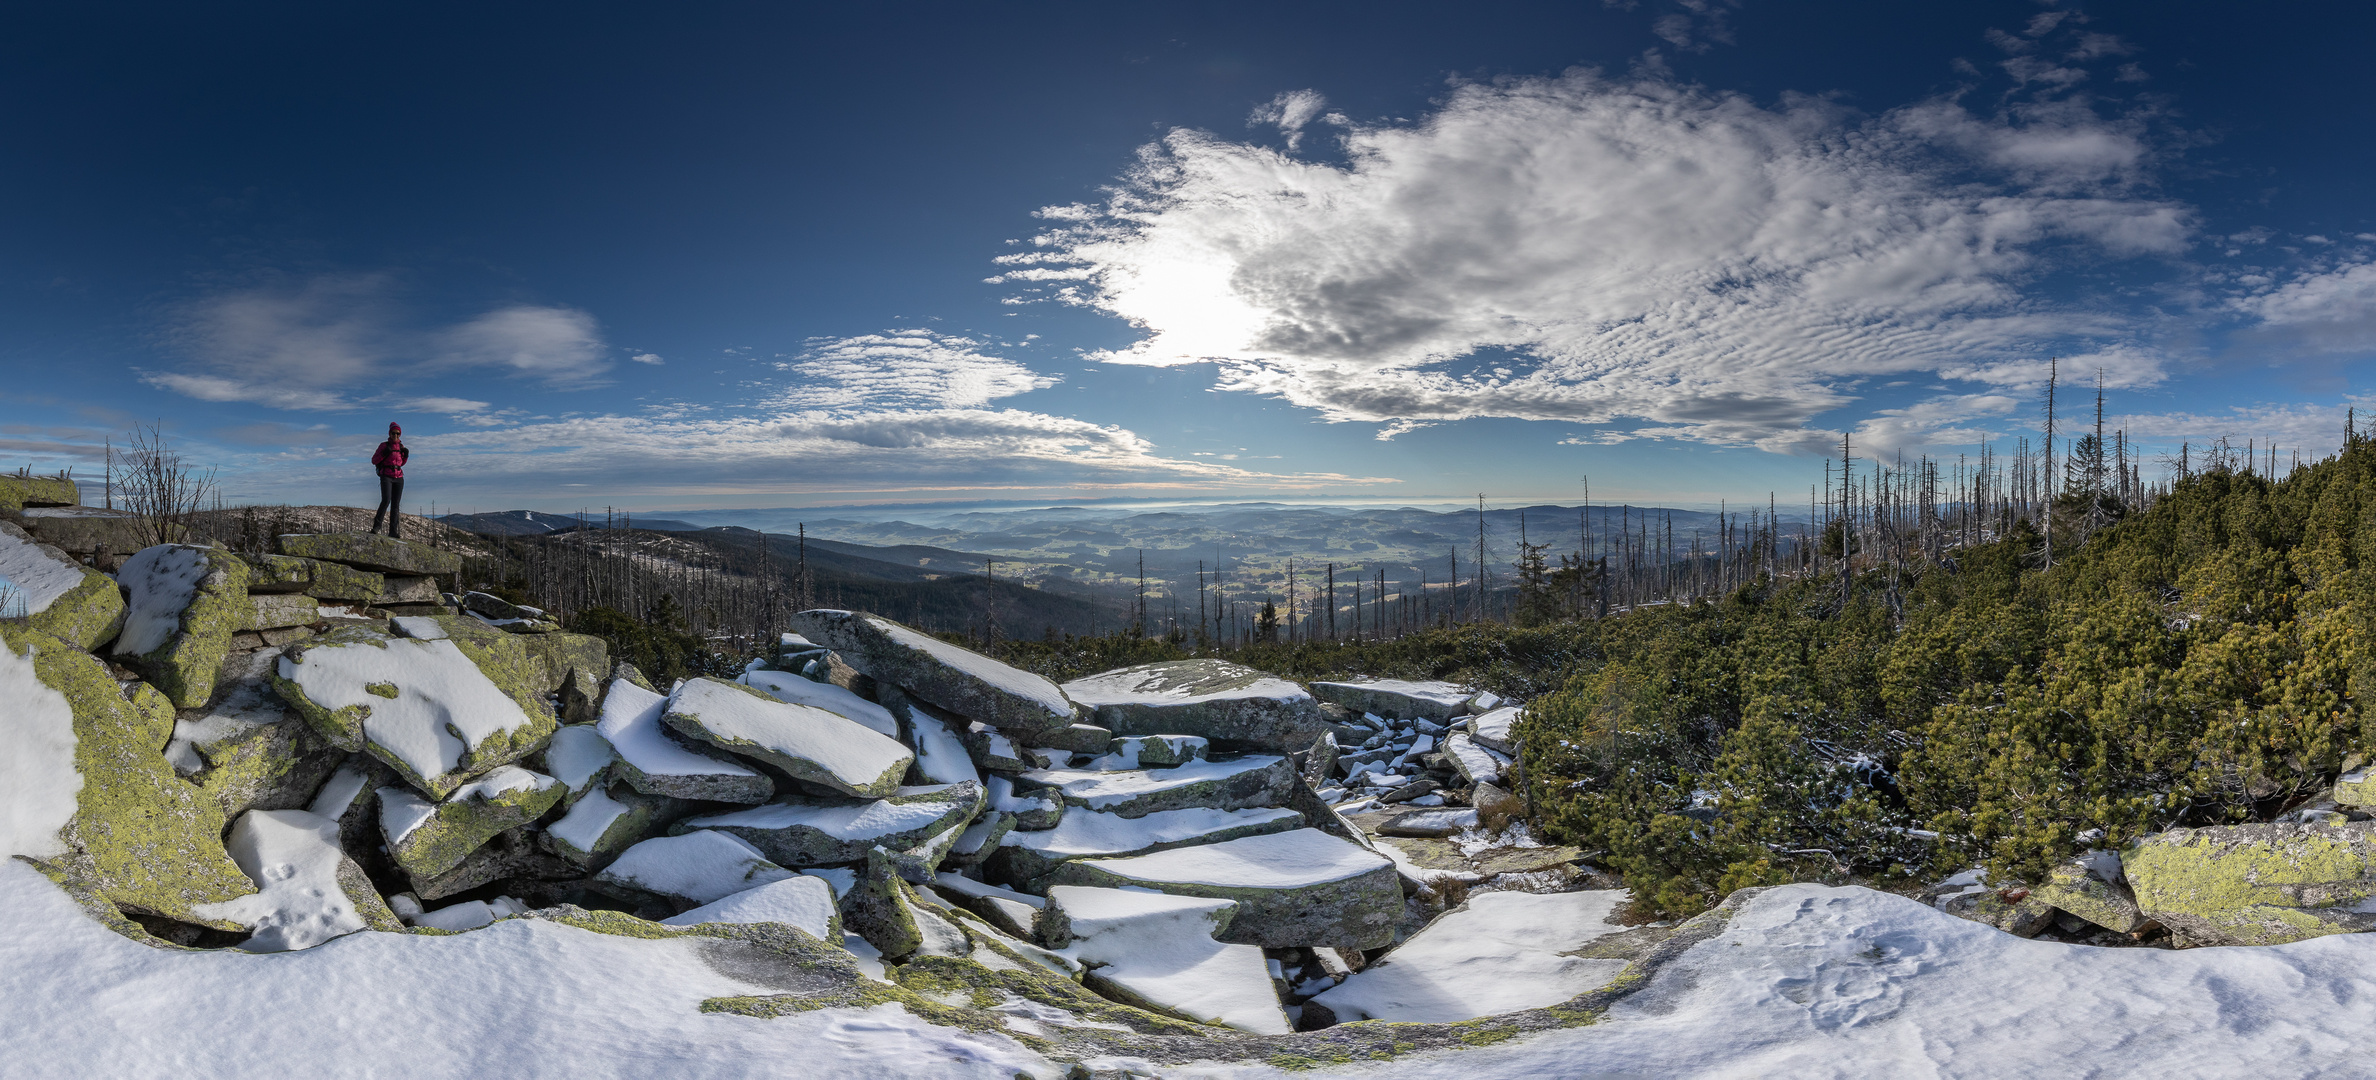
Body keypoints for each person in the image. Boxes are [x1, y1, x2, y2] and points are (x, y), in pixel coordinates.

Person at [370, 423, 408, 538]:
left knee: (395, 504)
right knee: (386, 500)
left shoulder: (401, 447)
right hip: (386, 476)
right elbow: (374, 460)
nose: (395, 435)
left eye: (397, 433)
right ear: (390, 433)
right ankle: (376, 527)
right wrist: (384, 453)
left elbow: (402, 463)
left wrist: (405, 456)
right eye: (393, 433)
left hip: (399, 478)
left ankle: (393, 531)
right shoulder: (383, 446)